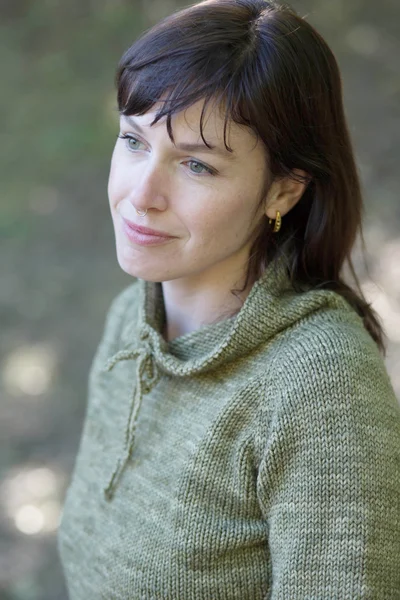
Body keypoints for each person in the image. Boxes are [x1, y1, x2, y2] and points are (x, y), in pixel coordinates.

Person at [57, 0, 400, 598]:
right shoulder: (132, 321)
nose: (142, 196)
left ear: (284, 193)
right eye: (133, 142)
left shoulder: (320, 389)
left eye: (196, 164)